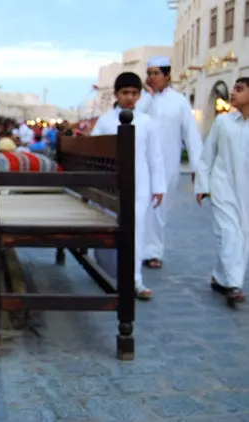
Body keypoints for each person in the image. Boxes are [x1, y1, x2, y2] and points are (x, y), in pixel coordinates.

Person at [92, 72, 166, 300]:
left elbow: (155, 156)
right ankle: (109, 271)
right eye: (125, 93)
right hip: (111, 188)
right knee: (111, 232)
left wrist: (158, 186)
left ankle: (135, 281)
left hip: (140, 186)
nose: (130, 97)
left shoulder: (146, 122)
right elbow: (95, 154)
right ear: (116, 94)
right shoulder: (105, 121)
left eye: (135, 93)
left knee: (136, 232)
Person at [137, 56, 203, 269]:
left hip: (168, 164)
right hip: (142, 164)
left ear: (167, 76)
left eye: (156, 73)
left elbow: (191, 135)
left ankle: (154, 251)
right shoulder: (143, 101)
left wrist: (197, 167)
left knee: (159, 209)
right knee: (140, 207)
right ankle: (139, 249)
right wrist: (148, 96)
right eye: (150, 73)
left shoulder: (179, 102)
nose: (152, 77)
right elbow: (134, 119)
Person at [194, 77, 249, 307]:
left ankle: (220, 276)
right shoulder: (223, 123)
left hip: (245, 192)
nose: (233, 93)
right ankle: (234, 285)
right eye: (233, 88)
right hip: (222, 187)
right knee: (229, 233)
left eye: (239, 89)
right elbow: (207, 155)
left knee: (243, 235)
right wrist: (203, 186)